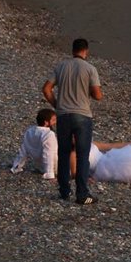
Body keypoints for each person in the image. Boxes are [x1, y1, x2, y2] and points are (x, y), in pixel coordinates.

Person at [42, 38, 103, 204]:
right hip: (82, 115)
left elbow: (46, 89)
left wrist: (57, 104)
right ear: (86, 51)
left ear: (73, 50)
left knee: (64, 153)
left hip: (63, 115)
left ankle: (64, 191)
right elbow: (97, 95)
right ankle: (82, 194)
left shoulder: (61, 66)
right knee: (82, 155)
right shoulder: (90, 69)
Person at [11, 108, 58, 179]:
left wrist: (16, 166)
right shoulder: (49, 134)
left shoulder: (30, 131)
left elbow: (23, 151)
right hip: (55, 167)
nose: (55, 122)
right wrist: (50, 173)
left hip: (40, 167)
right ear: (46, 122)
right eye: (53, 120)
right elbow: (48, 154)